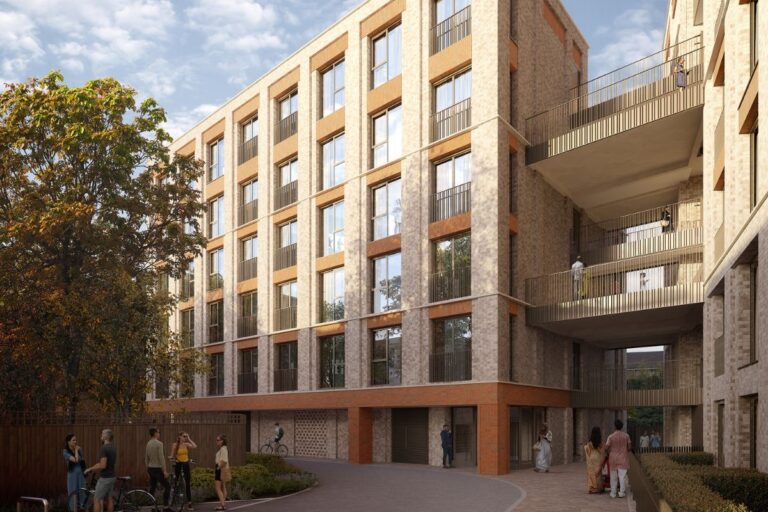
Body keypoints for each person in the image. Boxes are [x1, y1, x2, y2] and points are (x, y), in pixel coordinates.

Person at [84, 429, 117, 512]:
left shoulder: (104, 448)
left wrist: (90, 469)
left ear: (106, 437)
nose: (101, 435)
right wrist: (92, 467)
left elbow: (103, 465)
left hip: (105, 478)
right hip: (112, 476)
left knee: (96, 499)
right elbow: (102, 463)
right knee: (109, 499)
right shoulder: (112, 448)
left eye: (102, 434)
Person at [605, 419, 631, 499]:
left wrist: (610, 451)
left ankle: (613, 493)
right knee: (622, 476)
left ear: (615, 426)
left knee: (613, 476)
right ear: (622, 426)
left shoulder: (611, 436)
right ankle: (621, 493)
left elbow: (606, 447)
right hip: (623, 458)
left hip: (613, 458)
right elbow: (629, 447)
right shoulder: (626, 436)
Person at [145, 428, 170, 510]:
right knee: (167, 486)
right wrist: (165, 471)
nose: (159, 434)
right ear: (155, 433)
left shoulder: (148, 443)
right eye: (159, 432)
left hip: (150, 468)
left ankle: (152, 507)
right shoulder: (159, 444)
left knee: (153, 487)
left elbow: (146, 458)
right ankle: (166, 507)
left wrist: (147, 469)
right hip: (157, 469)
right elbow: (161, 458)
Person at [171, 431, 197, 509]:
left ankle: (189, 503)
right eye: (184, 436)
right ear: (179, 437)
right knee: (175, 483)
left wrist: (189, 438)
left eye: (186, 436)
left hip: (185, 464)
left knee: (187, 483)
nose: (184, 438)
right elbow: (172, 456)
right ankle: (173, 500)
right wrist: (173, 460)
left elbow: (195, 446)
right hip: (178, 464)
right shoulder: (175, 445)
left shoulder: (186, 444)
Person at [64, 434, 87, 511]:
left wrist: (85, 471)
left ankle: (83, 508)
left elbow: (82, 461)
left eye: (76, 440)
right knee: (73, 493)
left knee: (82, 492)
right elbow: (75, 460)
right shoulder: (65, 451)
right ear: (68, 442)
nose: (75, 442)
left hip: (80, 473)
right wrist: (76, 450)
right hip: (72, 474)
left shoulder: (80, 449)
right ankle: (73, 510)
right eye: (73, 440)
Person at [584, 427, 604, 494]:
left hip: (591, 457)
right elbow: (601, 451)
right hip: (597, 457)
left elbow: (587, 449)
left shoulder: (590, 441)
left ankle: (591, 488)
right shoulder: (600, 441)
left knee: (591, 472)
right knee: (598, 472)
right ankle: (598, 488)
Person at [214, 434, 229, 511]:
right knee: (223, 487)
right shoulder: (223, 448)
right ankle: (223, 504)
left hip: (221, 469)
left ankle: (222, 505)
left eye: (218, 440)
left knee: (218, 488)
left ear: (222, 441)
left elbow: (224, 461)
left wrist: (218, 467)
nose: (216, 441)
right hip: (224, 469)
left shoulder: (223, 449)